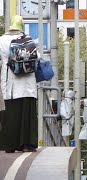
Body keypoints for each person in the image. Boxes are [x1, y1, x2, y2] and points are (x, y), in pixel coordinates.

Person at [0, 15, 38, 153]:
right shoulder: (28, 40)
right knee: (27, 116)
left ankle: (10, 145)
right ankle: (28, 145)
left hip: (11, 84)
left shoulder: (2, 40)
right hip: (28, 85)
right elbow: (37, 57)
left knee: (11, 115)